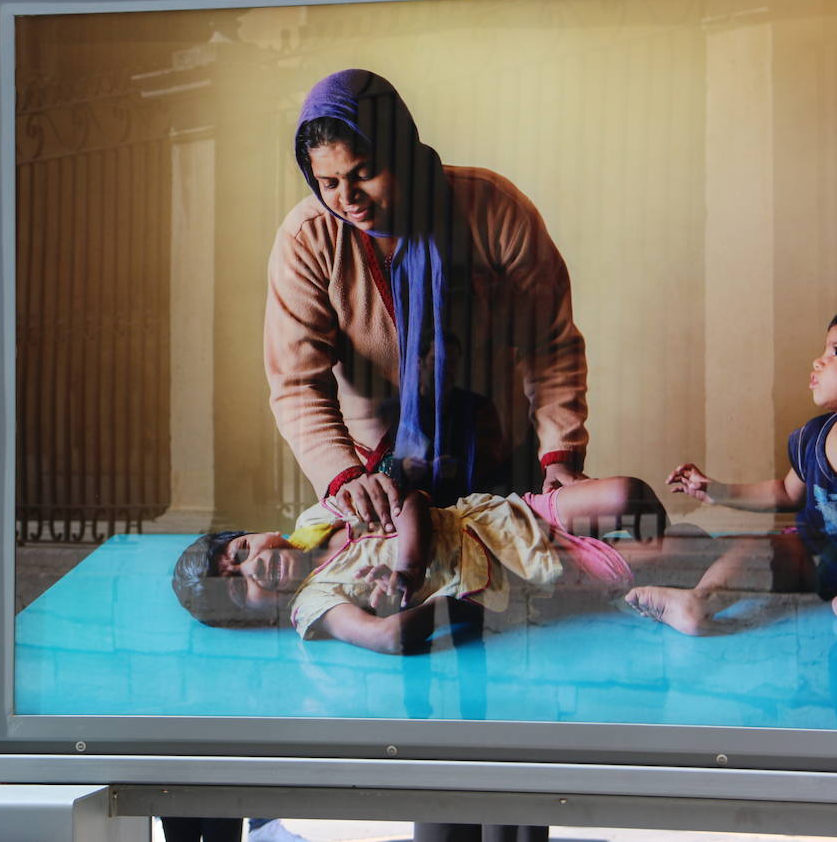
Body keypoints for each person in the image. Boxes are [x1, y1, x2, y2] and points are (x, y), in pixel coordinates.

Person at [266, 69, 588, 532]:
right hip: (382, 481)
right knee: (403, 592)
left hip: (503, 456)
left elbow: (550, 347)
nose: (348, 198)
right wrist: (346, 478)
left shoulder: (493, 209)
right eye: (329, 182)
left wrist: (559, 457)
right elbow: (298, 385)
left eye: (363, 173)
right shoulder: (308, 240)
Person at [173, 476, 656, 651]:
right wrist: (463, 607)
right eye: (239, 588)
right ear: (253, 615)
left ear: (254, 534)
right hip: (519, 578)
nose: (254, 566)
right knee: (669, 554)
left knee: (628, 494)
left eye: (240, 552)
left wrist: (407, 568)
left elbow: (407, 502)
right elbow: (385, 636)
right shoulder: (313, 602)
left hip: (499, 519)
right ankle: (665, 592)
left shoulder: (317, 515)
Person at [626, 314, 837, 634]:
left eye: (835, 351)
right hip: (810, 556)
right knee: (760, 548)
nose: (818, 361)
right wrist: (719, 492)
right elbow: (784, 491)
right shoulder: (814, 436)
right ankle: (698, 601)